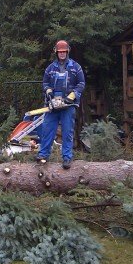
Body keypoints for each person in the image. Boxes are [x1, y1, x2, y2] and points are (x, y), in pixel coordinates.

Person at [36, 40, 85, 169]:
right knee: (47, 130)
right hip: (53, 105)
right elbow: (45, 83)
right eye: (60, 52)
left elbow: (81, 84)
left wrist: (72, 97)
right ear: (56, 52)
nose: (62, 54)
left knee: (67, 131)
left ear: (67, 51)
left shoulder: (76, 67)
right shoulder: (50, 68)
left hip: (68, 105)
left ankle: (67, 158)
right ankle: (43, 155)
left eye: (64, 52)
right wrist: (49, 92)